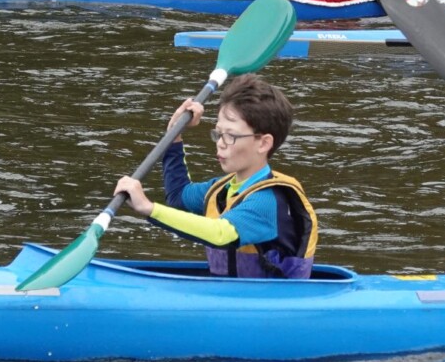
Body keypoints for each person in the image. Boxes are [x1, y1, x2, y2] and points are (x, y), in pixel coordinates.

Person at [113, 75, 319, 279]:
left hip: (272, 305)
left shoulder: (266, 201)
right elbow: (177, 197)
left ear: (263, 143)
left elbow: (220, 234)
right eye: (219, 133)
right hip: (233, 296)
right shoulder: (223, 189)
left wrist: (149, 208)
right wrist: (173, 137)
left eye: (230, 135)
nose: (220, 143)